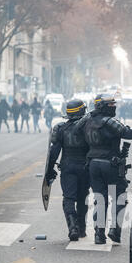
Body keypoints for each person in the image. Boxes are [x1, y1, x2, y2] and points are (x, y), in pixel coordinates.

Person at [84, 93, 132, 245]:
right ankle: (114, 230)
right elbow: (131, 134)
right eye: (111, 105)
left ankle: (99, 234)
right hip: (110, 165)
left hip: (93, 165)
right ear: (102, 106)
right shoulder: (110, 122)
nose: (114, 107)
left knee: (100, 199)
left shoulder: (86, 121)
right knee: (120, 197)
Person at [44, 99, 90, 241]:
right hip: (85, 167)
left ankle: (72, 228)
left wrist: (49, 170)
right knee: (82, 198)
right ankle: (81, 229)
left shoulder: (60, 128)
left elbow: (54, 152)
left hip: (68, 167)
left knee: (69, 198)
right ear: (82, 111)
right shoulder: (88, 127)